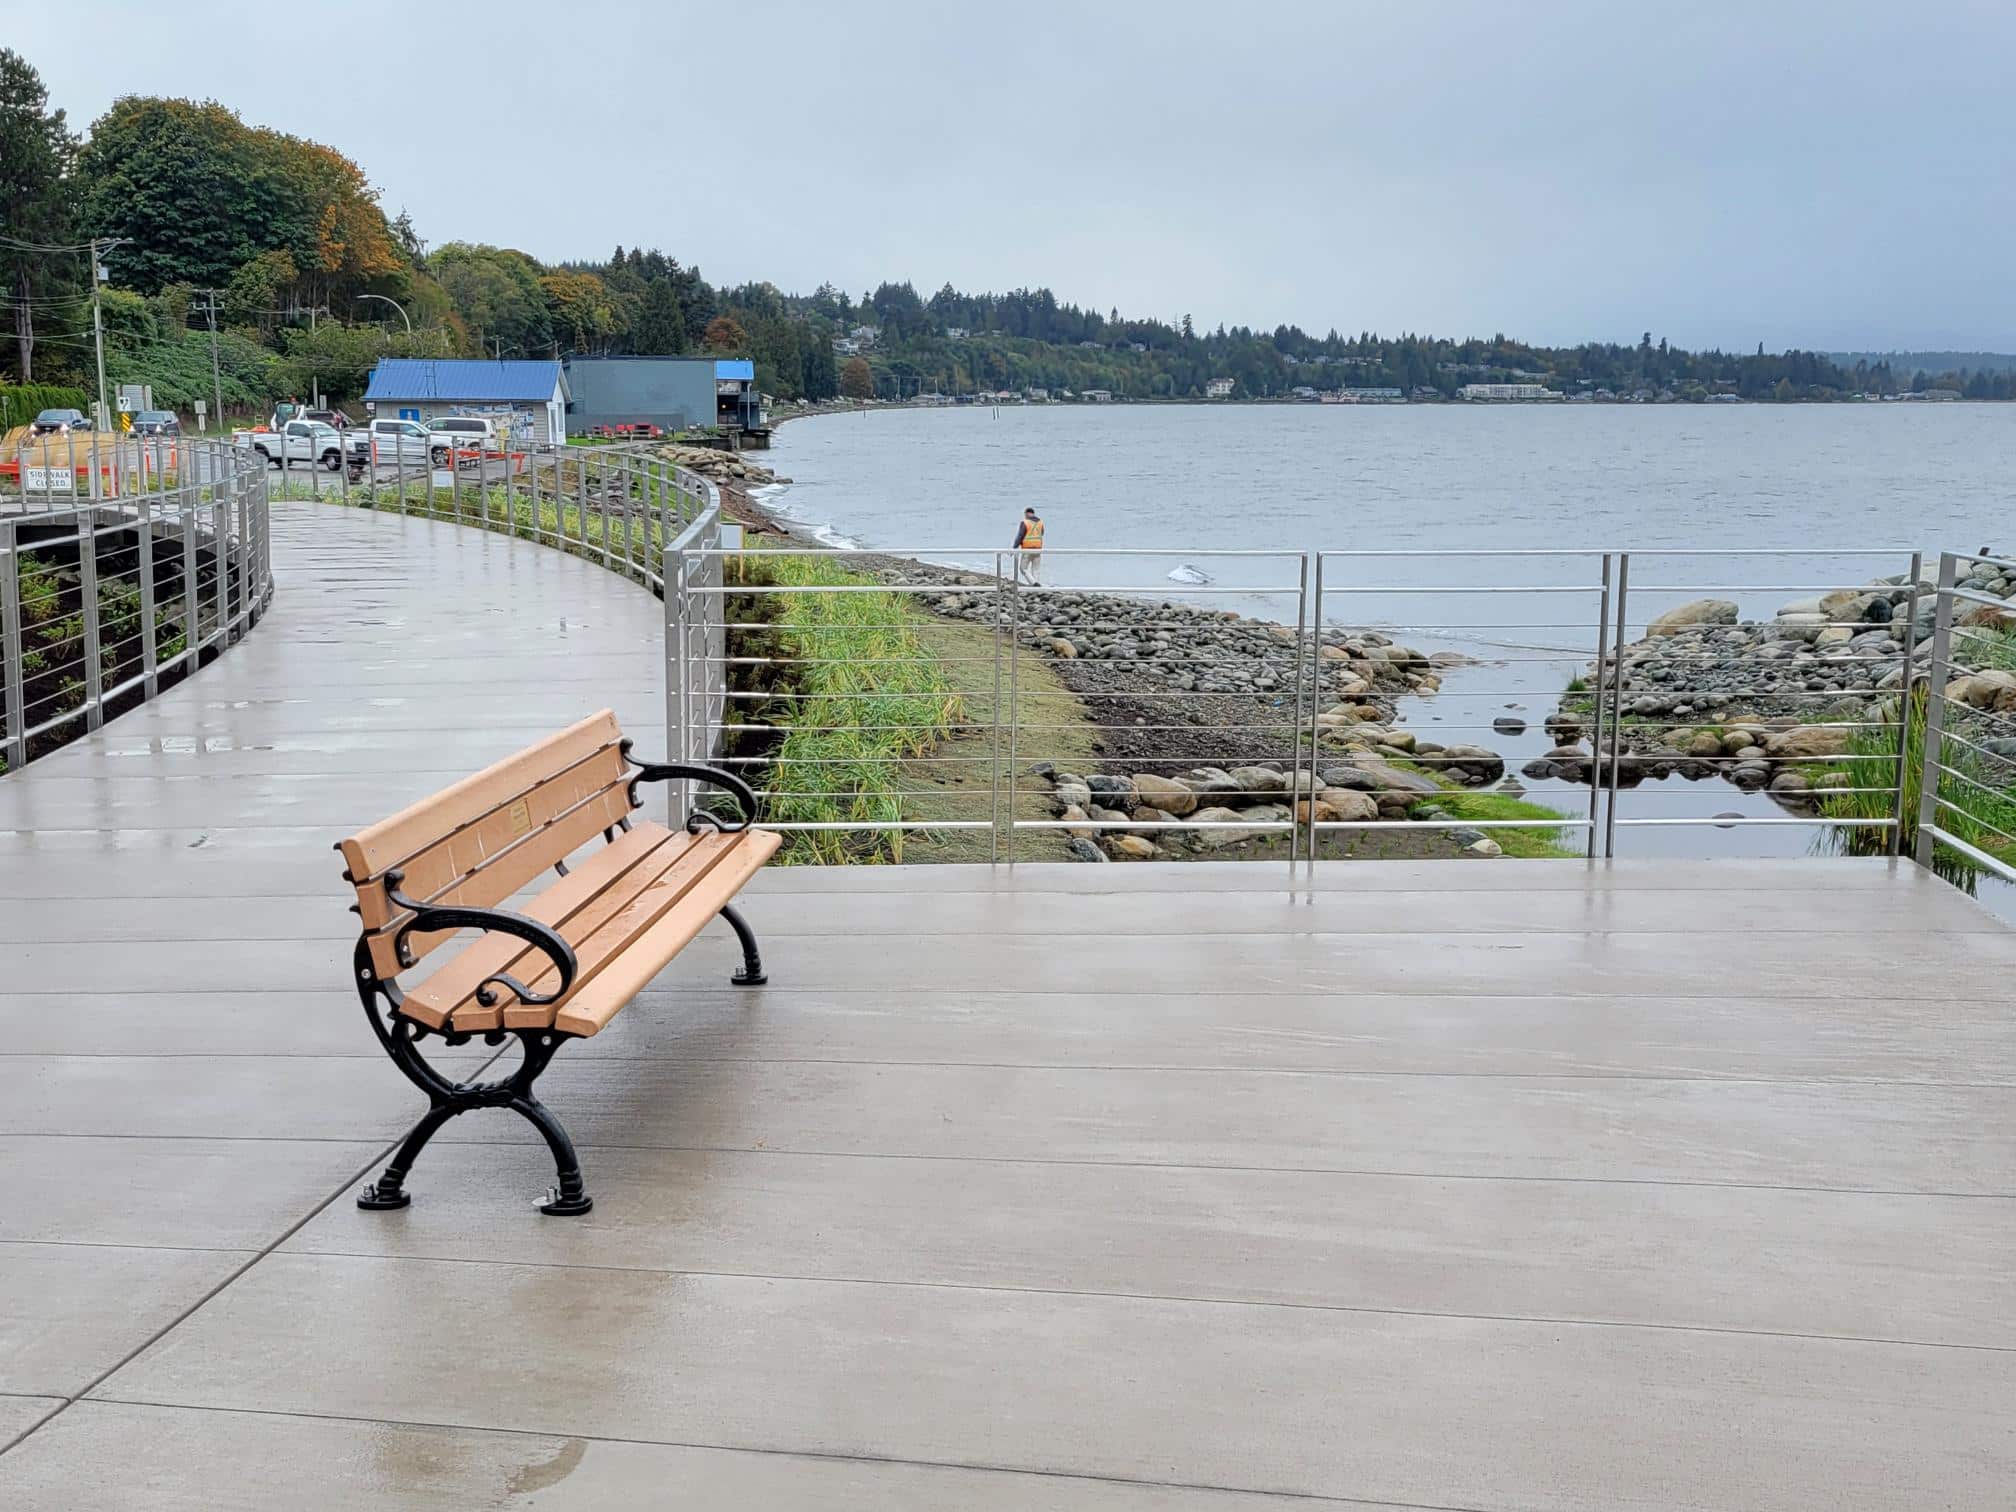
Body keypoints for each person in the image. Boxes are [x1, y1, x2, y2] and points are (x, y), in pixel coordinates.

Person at [1013, 507, 1045, 585]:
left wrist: (1014, 547)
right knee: (1036, 569)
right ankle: (1036, 587)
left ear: (1027, 513)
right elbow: (1042, 533)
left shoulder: (1025, 522)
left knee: (1023, 568)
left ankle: (1034, 583)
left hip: (1027, 548)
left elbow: (1020, 536)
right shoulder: (1040, 522)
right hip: (1038, 548)